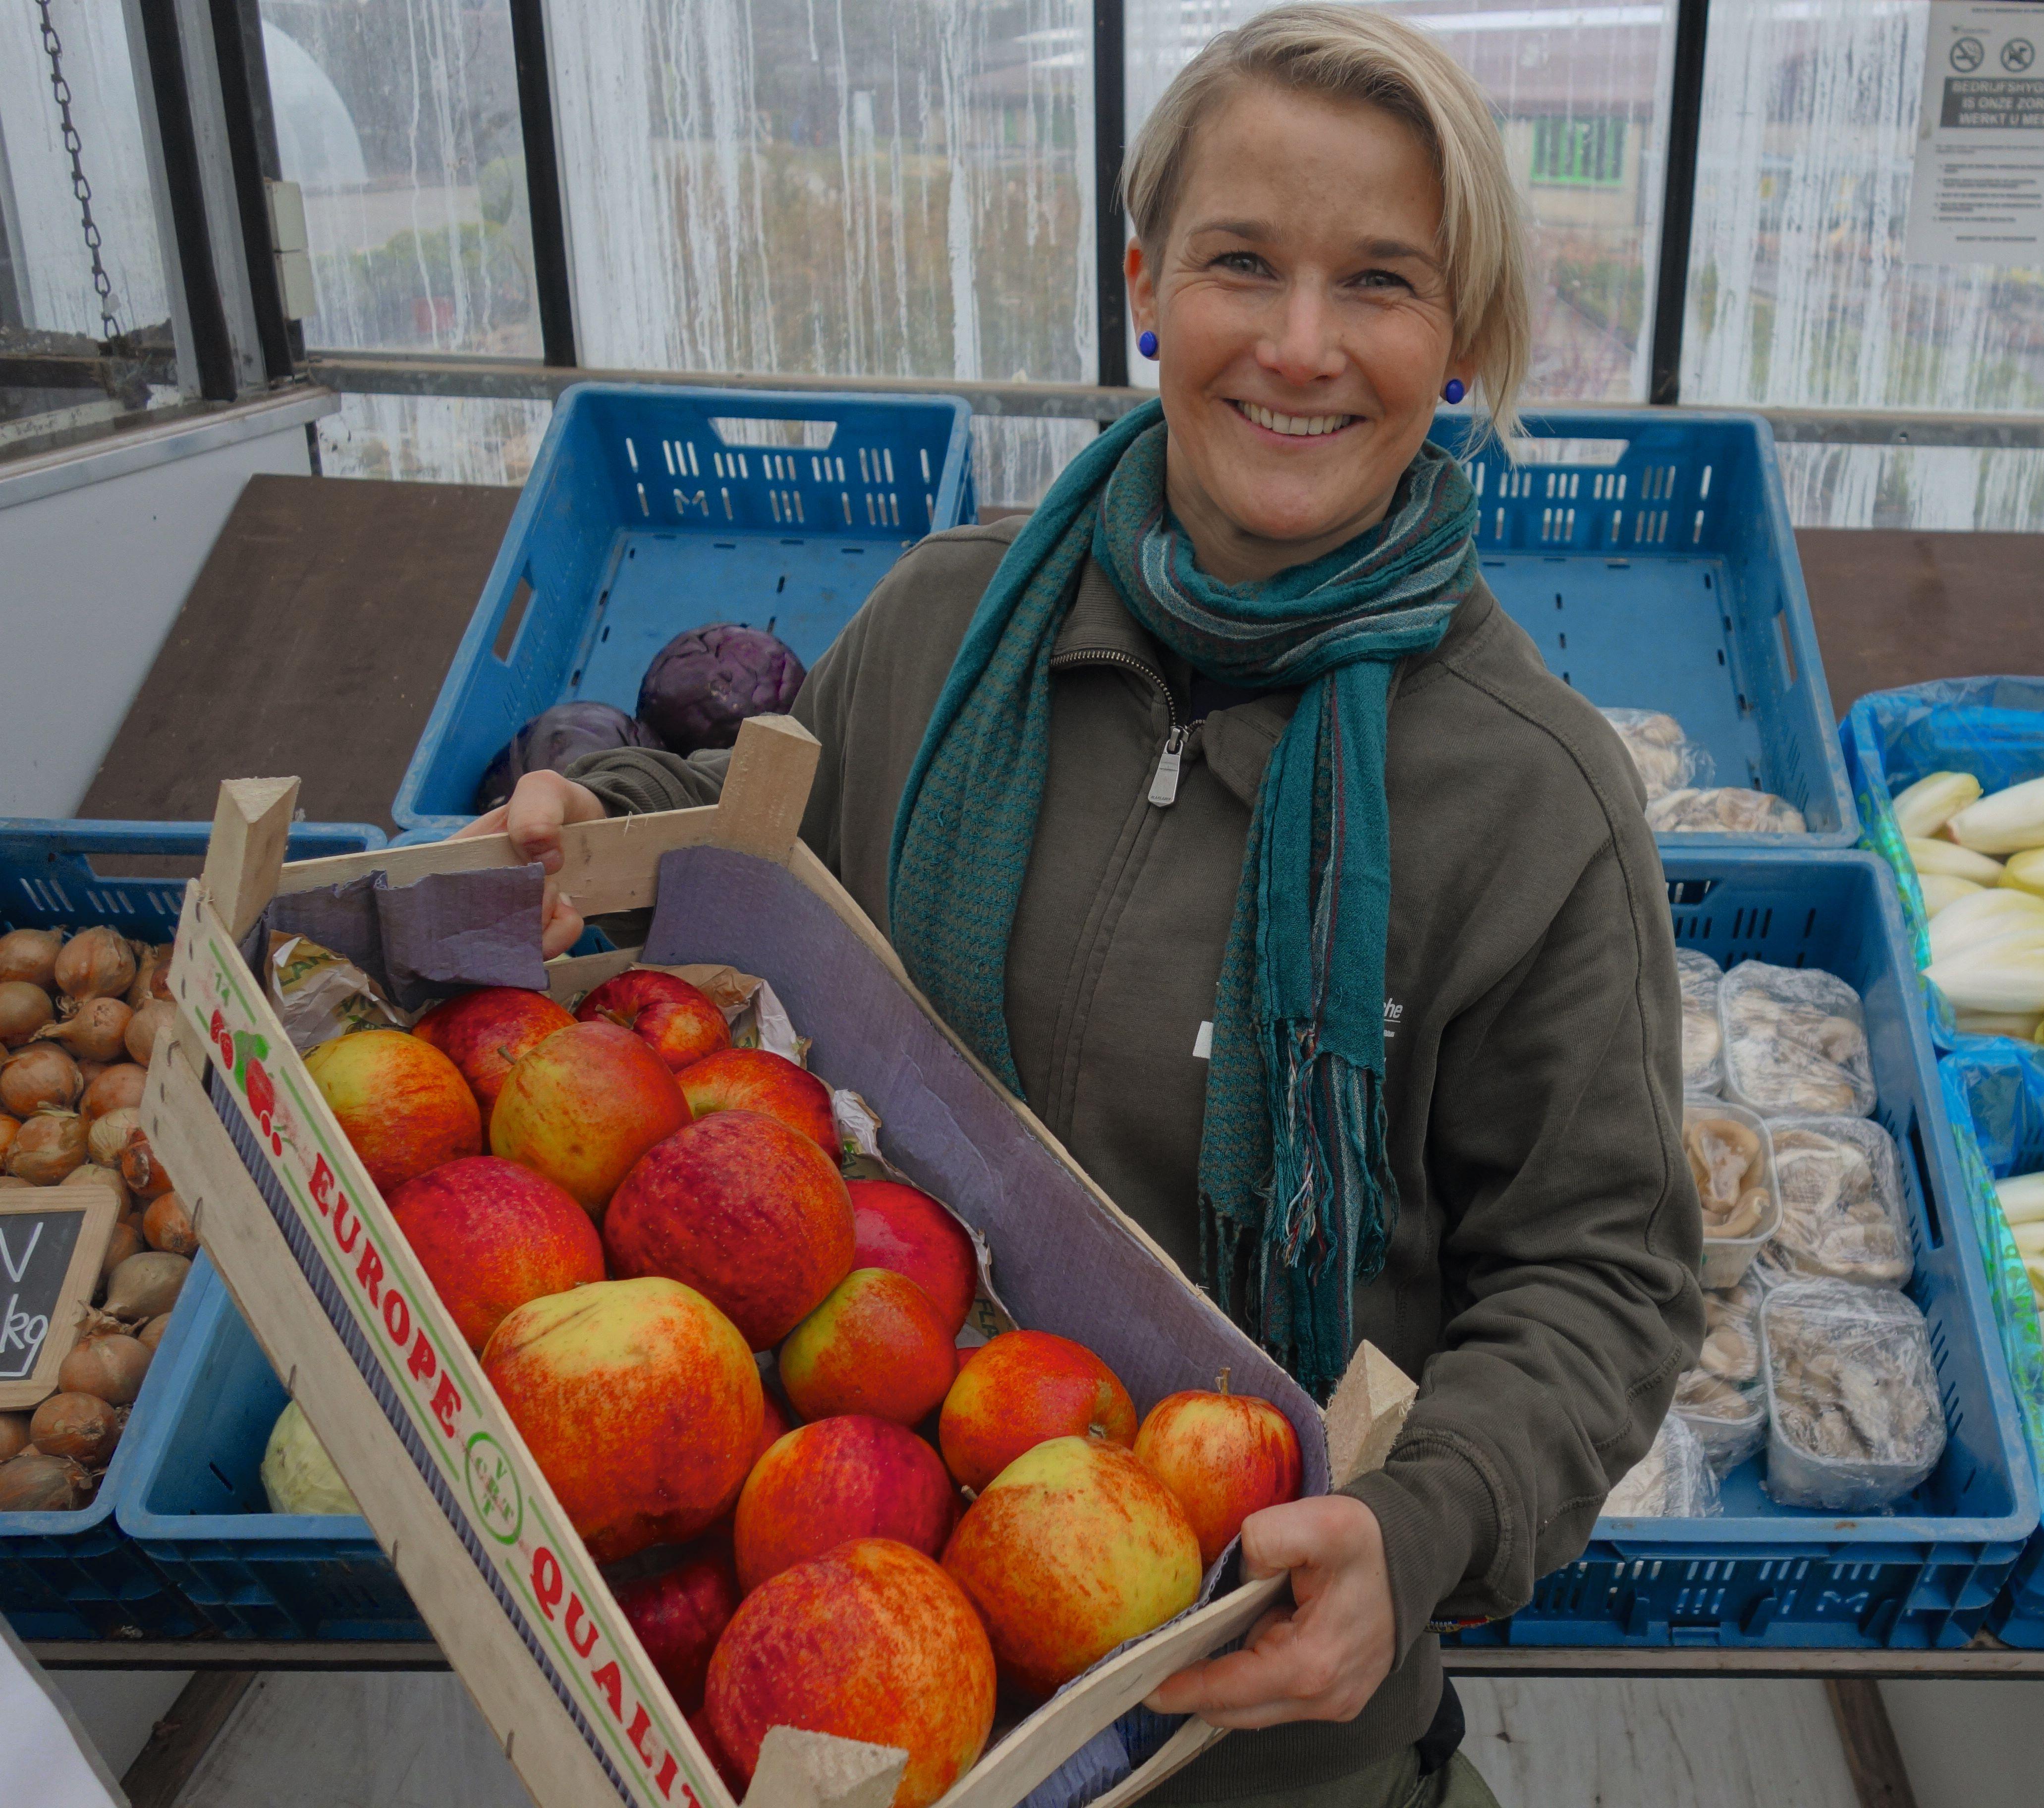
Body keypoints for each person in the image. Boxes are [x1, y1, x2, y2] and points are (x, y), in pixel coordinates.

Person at [463, 9, 1700, 1803]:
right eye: (1239, 266)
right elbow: (771, 831)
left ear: (1461, 341)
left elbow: (1606, 1276)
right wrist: (605, 823)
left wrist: (1418, 1530)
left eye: (1379, 282)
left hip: (1252, 1718)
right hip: (855, 1619)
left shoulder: (1527, 797)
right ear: (1144, 288)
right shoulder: (955, 623)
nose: (1297, 345)